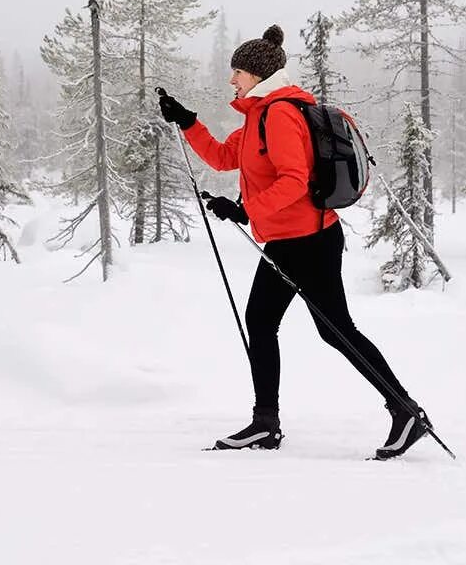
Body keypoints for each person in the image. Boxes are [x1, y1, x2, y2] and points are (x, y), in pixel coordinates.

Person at [158, 24, 432, 460]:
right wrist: (188, 121)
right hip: (290, 239)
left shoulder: (280, 114)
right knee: (273, 324)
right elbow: (224, 157)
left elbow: (294, 181)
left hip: (308, 239)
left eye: (238, 72)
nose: (232, 80)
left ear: (258, 75)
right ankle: (267, 423)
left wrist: (248, 211)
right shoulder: (257, 115)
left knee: (332, 330)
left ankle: (403, 410)